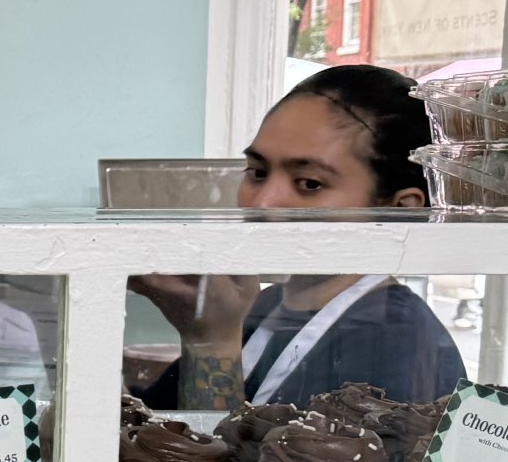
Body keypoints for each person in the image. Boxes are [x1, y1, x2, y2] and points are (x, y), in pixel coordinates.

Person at [132, 64, 463, 414]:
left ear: (400, 210)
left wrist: (211, 343)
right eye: (257, 172)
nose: (262, 202)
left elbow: (218, 452)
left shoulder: (401, 342)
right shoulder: (264, 306)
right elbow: (155, 431)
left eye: (309, 184)